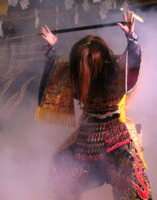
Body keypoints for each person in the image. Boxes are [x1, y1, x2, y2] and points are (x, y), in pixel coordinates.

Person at [36, 12, 153, 199]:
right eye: (80, 66)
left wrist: (131, 37)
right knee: (60, 165)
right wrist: (51, 48)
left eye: (88, 64)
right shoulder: (73, 74)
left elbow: (133, 63)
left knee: (132, 177)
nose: (84, 70)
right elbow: (55, 73)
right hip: (87, 132)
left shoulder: (116, 68)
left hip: (116, 131)